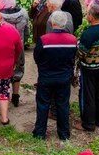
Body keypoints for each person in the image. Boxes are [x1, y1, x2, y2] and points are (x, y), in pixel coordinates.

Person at [32, 11, 77, 141]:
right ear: (65, 24)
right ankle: (64, 134)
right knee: (63, 105)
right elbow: (72, 57)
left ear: (51, 23)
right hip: (64, 78)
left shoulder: (44, 40)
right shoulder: (72, 40)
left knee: (43, 104)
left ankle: (40, 133)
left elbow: (37, 57)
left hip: (46, 77)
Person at [76, 4, 99, 130]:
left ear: (91, 17)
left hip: (89, 68)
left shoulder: (88, 33)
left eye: (87, 14)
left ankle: (88, 123)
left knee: (88, 95)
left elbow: (81, 53)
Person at [0, 0, 29, 107]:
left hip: (3, 50)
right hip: (18, 48)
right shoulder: (24, 14)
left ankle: (2, 97)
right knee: (18, 71)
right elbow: (27, 31)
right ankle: (15, 96)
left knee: (3, 73)